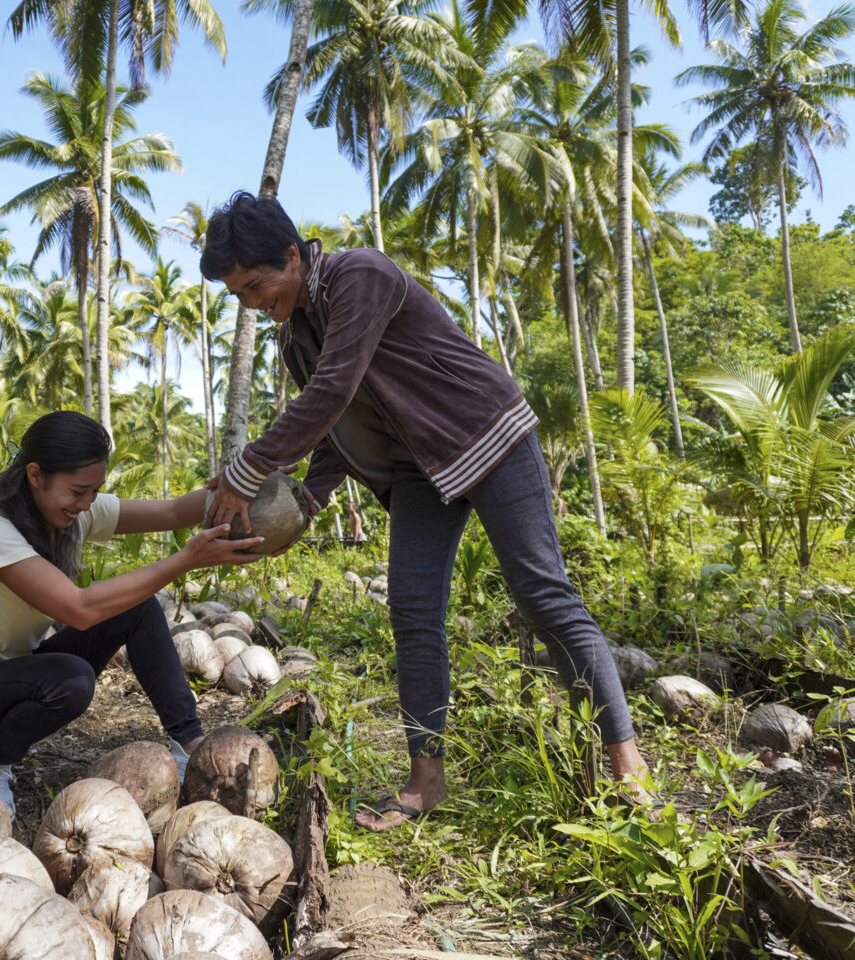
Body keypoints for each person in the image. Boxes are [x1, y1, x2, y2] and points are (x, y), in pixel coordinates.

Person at [199, 192, 652, 831]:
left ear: (294, 255)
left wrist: (245, 471)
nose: (250, 302)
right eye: (237, 294)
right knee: (413, 616)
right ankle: (426, 781)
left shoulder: (361, 275)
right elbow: (339, 425)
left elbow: (334, 390)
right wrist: (312, 493)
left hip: (487, 435)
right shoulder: (295, 340)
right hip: (419, 468)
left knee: (543, 598)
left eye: (254, 283)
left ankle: (628, 769)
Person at [0, 411, 262, 816]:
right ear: (35, 475)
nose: (86, 503)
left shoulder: (69, 515)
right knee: (71, 680)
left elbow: (172, 513)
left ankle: (190, 747)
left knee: (140, 607)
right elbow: (78, 609)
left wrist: (238, 492)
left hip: (16, 678)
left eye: (95, 491)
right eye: (78, 491)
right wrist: (186, 560)